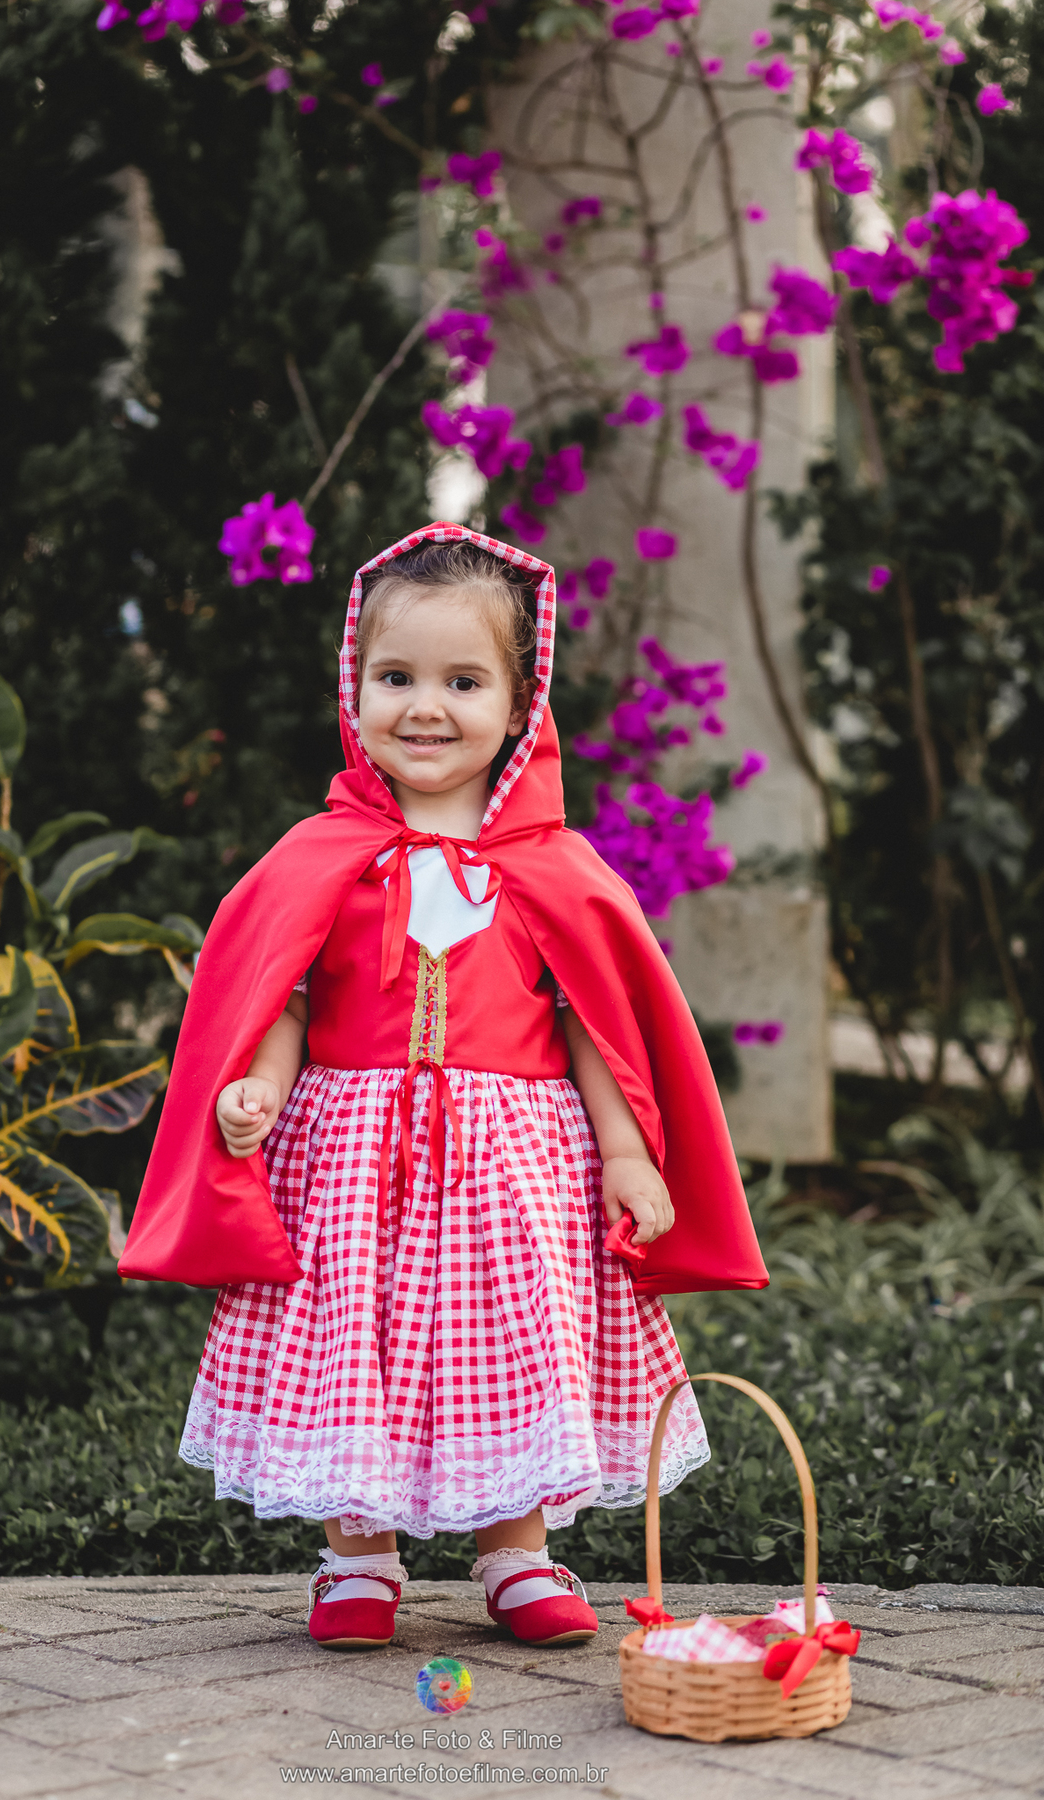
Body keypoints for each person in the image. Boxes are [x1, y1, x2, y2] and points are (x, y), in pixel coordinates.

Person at [120, 524, 767, 1653]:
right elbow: (280, 1000)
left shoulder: (554, 868)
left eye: (464, 681)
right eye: (397, 677)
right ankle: (356, 1557)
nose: (427, 707)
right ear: (353, 687)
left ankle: (517, 1552)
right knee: (346, 1348)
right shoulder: (322, 852)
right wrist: (258, 1087)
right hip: (349, 1158)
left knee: (513, 1346)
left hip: (513, 1171)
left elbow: (595, 1028)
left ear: (521, 703)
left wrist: (625, 1153)